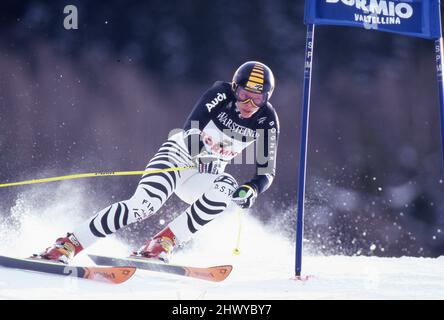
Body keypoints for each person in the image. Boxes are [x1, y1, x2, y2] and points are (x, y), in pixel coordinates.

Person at [36, 61, 280, 264]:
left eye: (256, 99)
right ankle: (68, 244)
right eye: (243, 96)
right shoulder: (220, 94)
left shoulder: (267, 120)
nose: (248, 105)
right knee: (144, 205)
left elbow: (266, 171)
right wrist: (203, 154)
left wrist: (252, 189)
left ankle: (162, 243)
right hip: (177, 158)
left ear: (266, 98)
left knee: (228, 185)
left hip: (202, 177)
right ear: (235, 88)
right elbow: (190, 129)